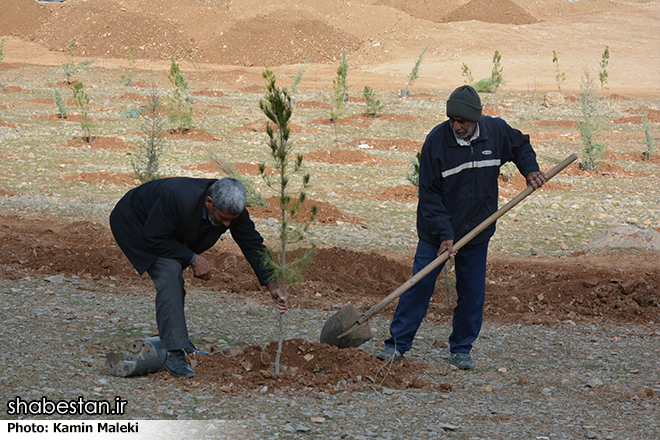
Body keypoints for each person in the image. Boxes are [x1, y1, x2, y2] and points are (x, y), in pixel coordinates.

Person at [377, 85, 546, 369]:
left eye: (462, 122)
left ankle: (461, 349)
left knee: (472, 292)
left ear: (476, 119)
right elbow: (429, 196)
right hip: (436, 233)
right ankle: (396, 345)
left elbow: (520, 145)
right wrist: (445, 234)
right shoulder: (436, 142)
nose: (456, 126)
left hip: (478, 229)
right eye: (452, 120)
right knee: (418, 287)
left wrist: (529, 169)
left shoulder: (496, 131)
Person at [109, 177, 288, 378]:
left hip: (167, 228)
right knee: (170, 273)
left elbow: (253, 245)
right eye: (223, 218)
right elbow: (155, 238)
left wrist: (272, 286)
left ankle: (181, 343)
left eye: (232, 219)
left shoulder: (229, 209)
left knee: (174, 275)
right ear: (209, 202)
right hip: (135, 223)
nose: (228, 224)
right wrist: (192, 257)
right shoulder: (179, 198)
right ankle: (174, 354)